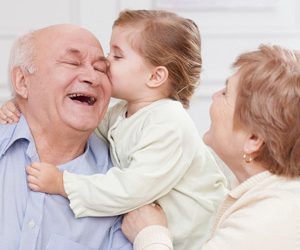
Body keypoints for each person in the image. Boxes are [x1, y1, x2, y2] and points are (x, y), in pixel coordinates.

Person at [0, 10, 228, 250]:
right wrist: (16, 103)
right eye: (72, 62)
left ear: (155, 76)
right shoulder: (121, 115)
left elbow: (132, 189)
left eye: (109, 61)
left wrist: (63, 183)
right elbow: (77, 117)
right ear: (23, 81)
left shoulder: (169, 123)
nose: (98, 71)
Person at [120, 44, 300, 250]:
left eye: (225, 94)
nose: (214, 95)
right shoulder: (268, 189)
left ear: (253, 139)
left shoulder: (269, 218)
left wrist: (150, 233)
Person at [0, 24, 132, 249]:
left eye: (101, 69)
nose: (92, 77)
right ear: (23, 82)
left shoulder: (123, 186)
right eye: (72, 63)